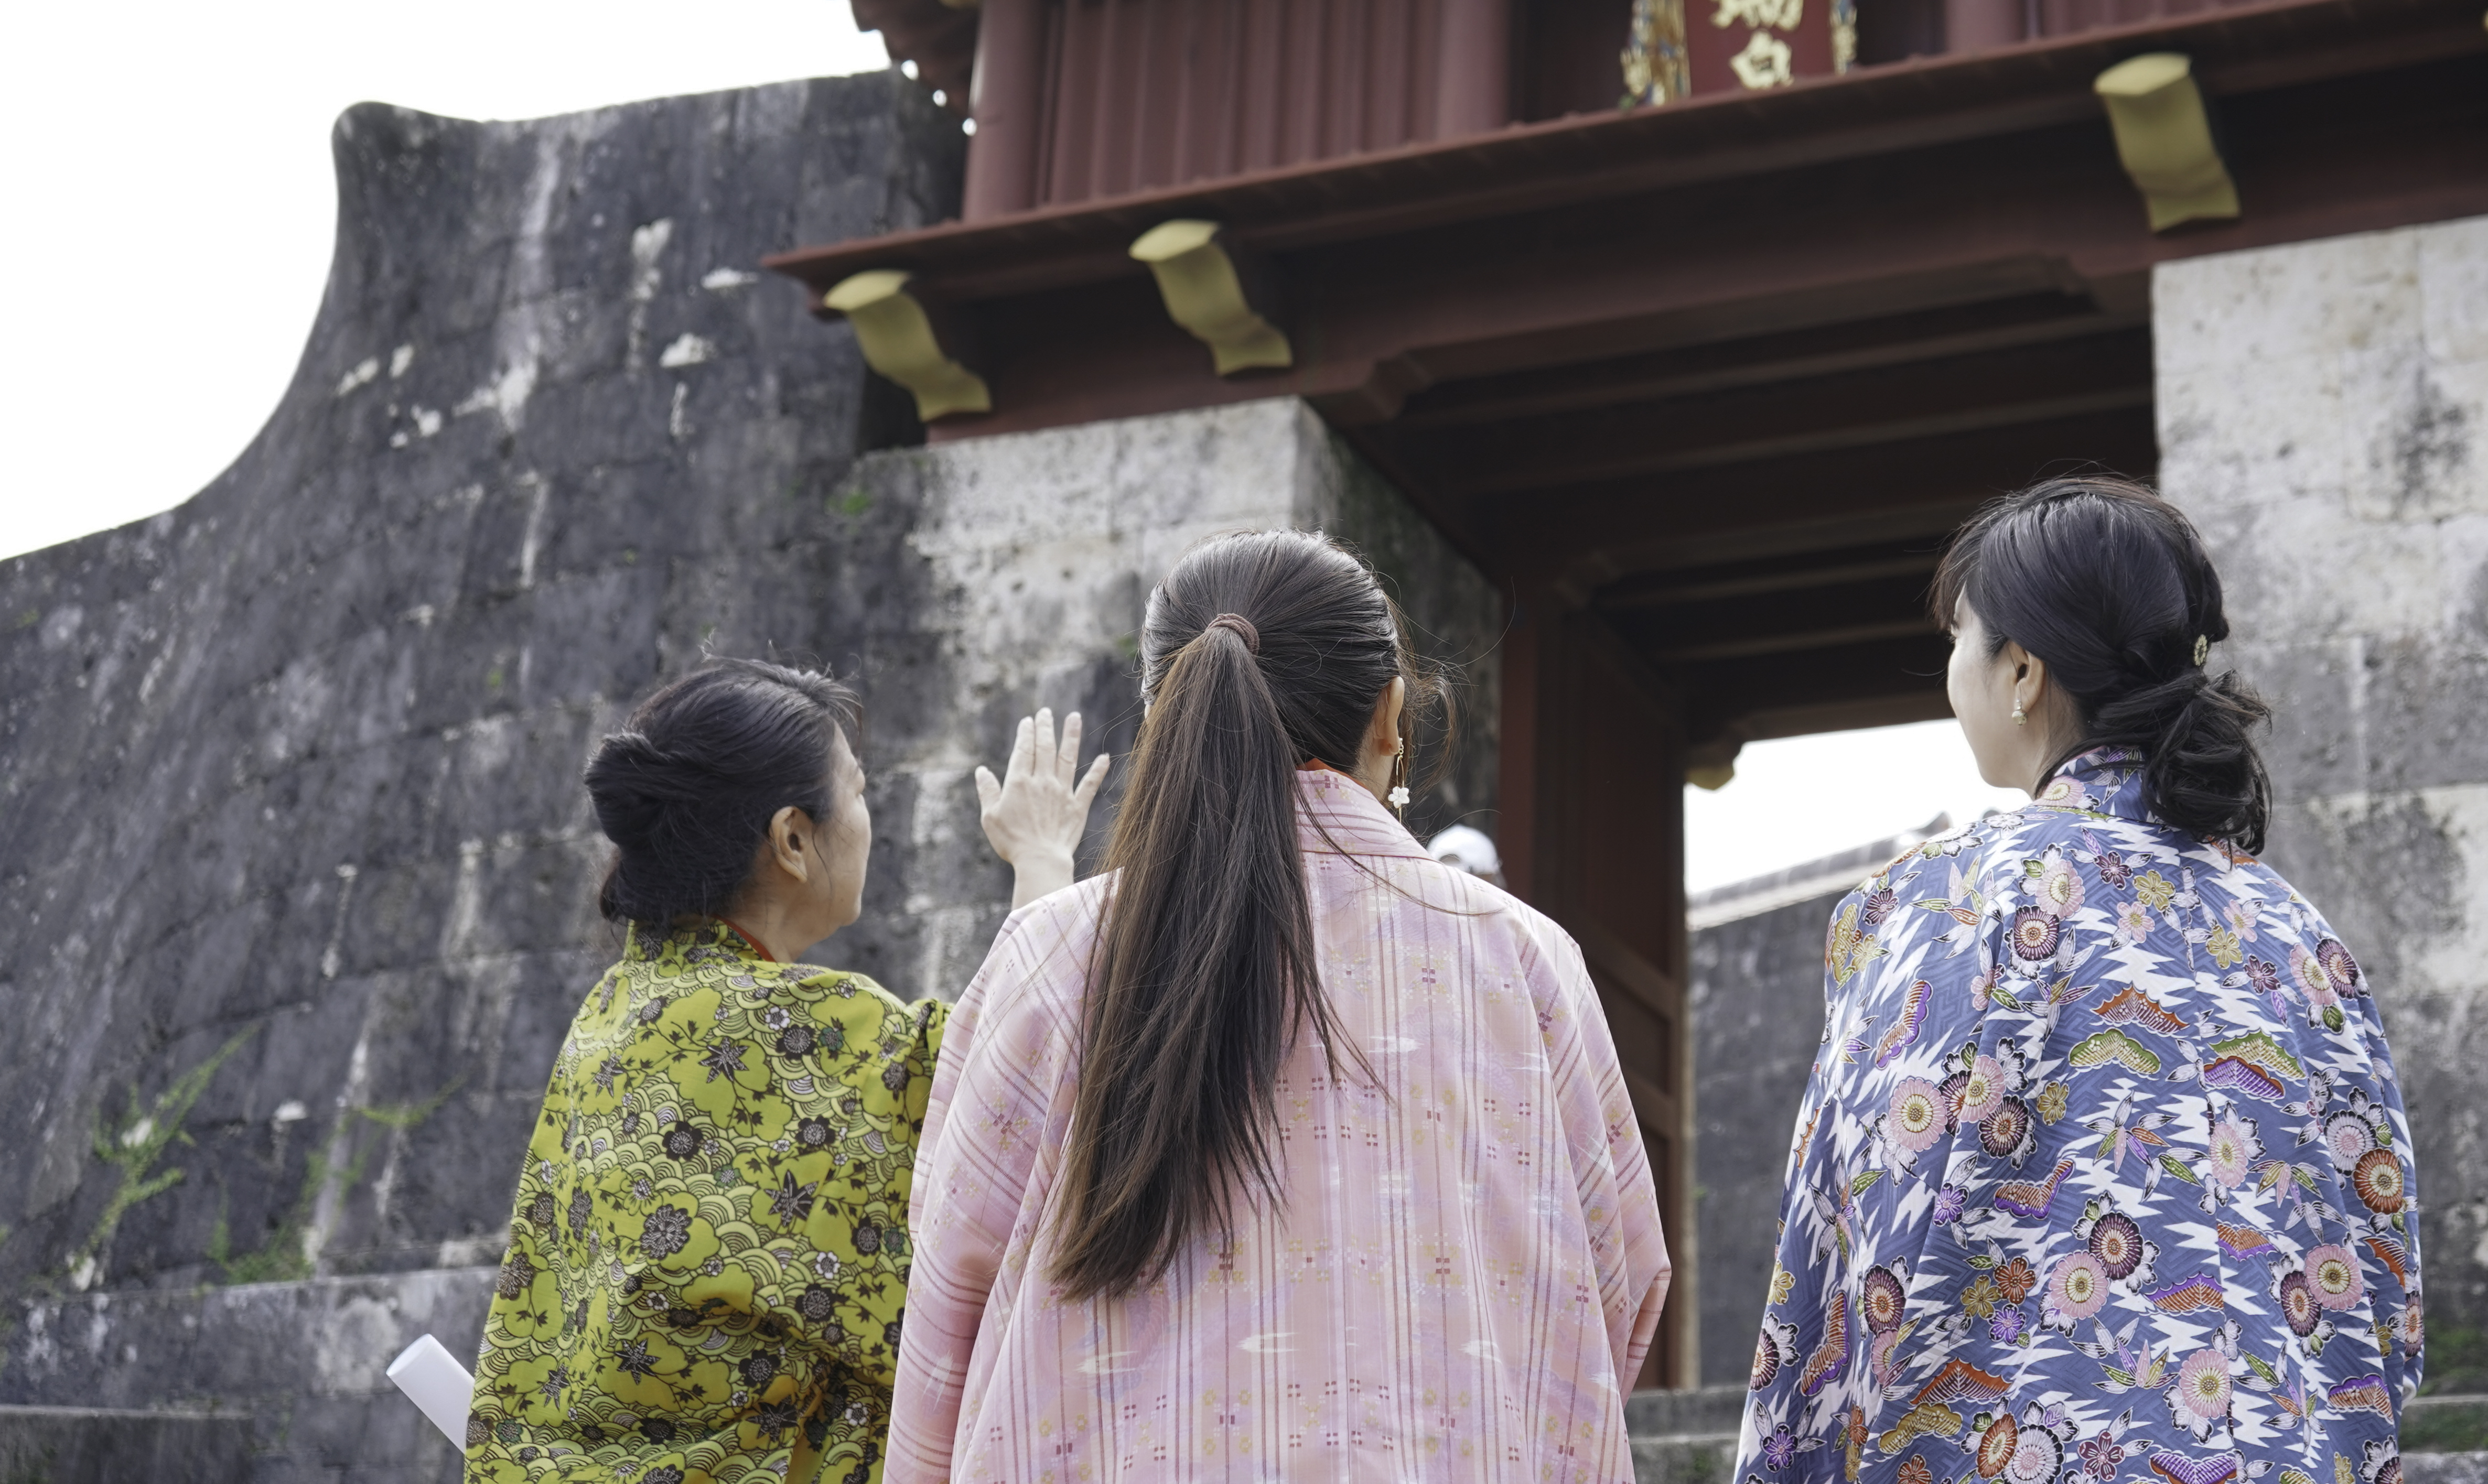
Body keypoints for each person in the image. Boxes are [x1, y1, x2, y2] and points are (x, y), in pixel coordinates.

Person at [890, 529, 1670, 1481]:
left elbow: (945, 1305)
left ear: (1161, 718)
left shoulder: (1053, 953)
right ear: (1391, 718)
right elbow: (1617, 1280)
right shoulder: (1524, 958)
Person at [1737, 476, 2421, 1484]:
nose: (1952, 672)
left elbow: (1853, 1250)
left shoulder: (1946, 902)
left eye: (1960, 638)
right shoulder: (2300, 937)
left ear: (2022, 668)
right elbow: (2382, 1273)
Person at [466, 658, 1108, 1483]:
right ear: (794, 839)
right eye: (861, 792)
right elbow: (1009, 1106)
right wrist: (1042, 858)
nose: (871, 820)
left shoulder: (611, 1018)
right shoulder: (810, 1034)